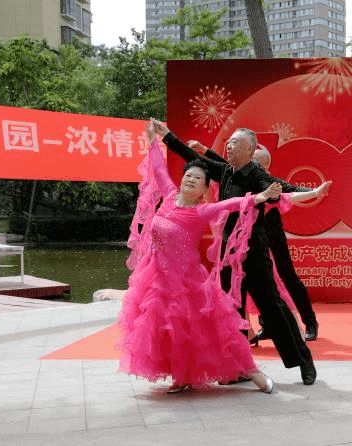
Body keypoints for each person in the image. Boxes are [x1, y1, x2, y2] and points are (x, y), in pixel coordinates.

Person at [151, 119, 328, 385]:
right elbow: (193, 157)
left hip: (252, 253)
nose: (229, 146)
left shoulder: (257, 175)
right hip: (226, 254)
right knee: (230, 314)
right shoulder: (224, 171)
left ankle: (303, 361)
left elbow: (284, 192)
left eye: (235, 143)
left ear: (250, 149)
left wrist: (313, 192)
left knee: (273, 309)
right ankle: (239, 369)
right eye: (229, 142)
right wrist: (167, 136)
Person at [118, 122, 274, 394]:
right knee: (168, 332)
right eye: (188, 176)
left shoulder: (202, 211)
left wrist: (260, 196)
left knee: (214, 331)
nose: (190, 179)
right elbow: (158, 169)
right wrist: (153, 141)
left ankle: (254, 373)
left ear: (203, 190)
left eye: (197, 179)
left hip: (188, 282)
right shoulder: (168, 196)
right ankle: (183, 377)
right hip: (156, 278)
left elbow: (232, 204)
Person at [188, 141, 320, 343]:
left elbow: (292, 191)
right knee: (245, 281)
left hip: (271, 233)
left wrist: (316, 191)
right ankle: (256, 329)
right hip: (248, 238)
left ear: (264, 166)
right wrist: (203, 149)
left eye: (255, 163)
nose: (250, 165)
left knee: (285, 275)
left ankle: (309, 322)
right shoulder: (237, 174)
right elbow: (221, 163)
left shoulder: (268, 181)